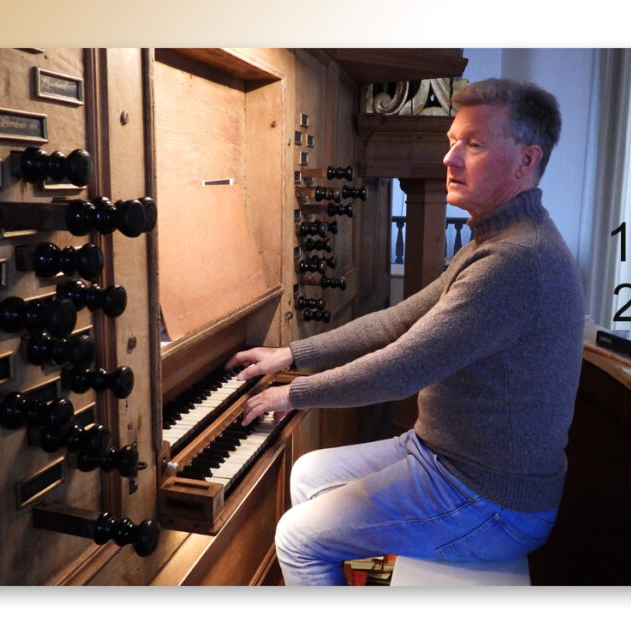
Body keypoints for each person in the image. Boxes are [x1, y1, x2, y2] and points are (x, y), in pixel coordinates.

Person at [225, 78, 585, 586]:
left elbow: (402, 368)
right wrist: (289, 352)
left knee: (297, 538)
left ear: (526, 161)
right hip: (441, 453)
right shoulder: (494, 238)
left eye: (474, 144)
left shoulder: (517, 259)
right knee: (308, 475)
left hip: (489, 495)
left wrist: (295, 394)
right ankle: (376, 591)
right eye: (452, 141)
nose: (450, 158)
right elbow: (398, 320)